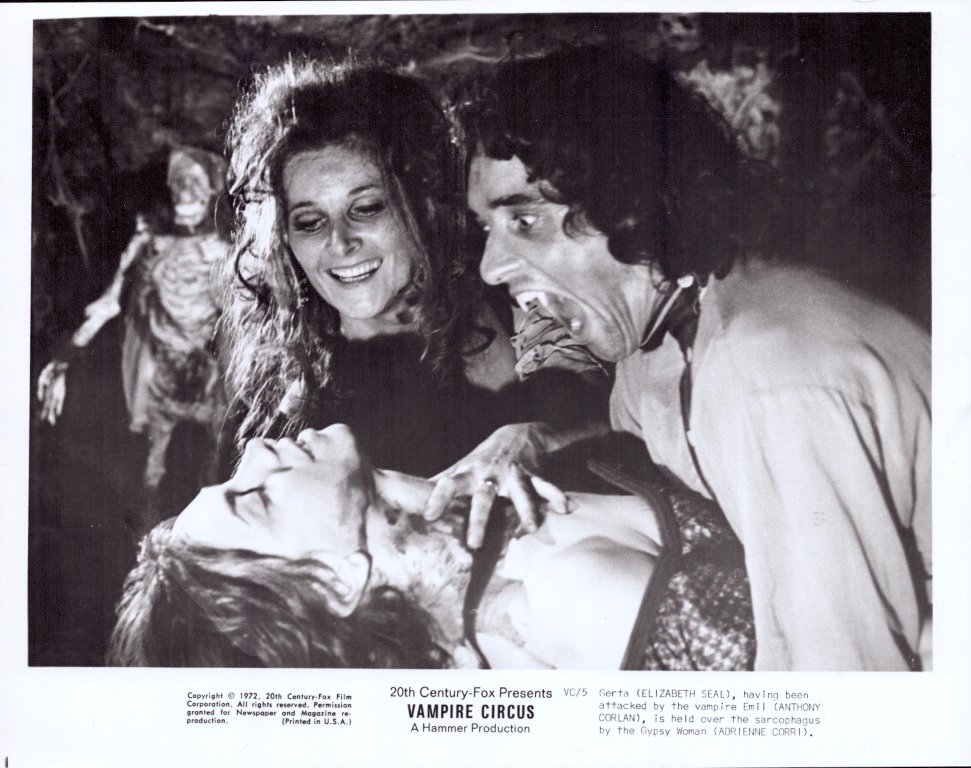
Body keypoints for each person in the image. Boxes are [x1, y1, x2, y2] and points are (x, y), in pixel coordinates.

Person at [459, 45, 931, 671]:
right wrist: (540, 438)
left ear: (630, 201)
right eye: (486, 230)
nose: (490, 267)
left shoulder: (767, 374)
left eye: (524, 220)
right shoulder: (657, 350)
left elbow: (843, 687)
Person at [221, 58, 608, 545]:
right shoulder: (280, 405)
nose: (340, 243)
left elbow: (622, 416)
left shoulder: (512, 294)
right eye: (310, 222)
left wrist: (537, 437)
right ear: (284, 238)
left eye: (366, 208)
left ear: (424, 203)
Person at [108, 425, 677, 669]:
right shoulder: (568, 602)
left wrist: (537, 437)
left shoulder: (485, 506)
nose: (255, 449)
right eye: (254, 498)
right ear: (337, 581)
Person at [36, 147, 231, 519]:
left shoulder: (225, 252)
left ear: (211, 190)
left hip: (208, 374)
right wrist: (62, 360)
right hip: (161, 372)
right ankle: (147, 541)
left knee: (217, 461)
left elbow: (252, 310)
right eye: (177, 182)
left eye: (193, 182)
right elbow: (110, 303)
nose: (184, 191)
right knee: (153, 467)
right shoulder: (151, 247)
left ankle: (212, 530)